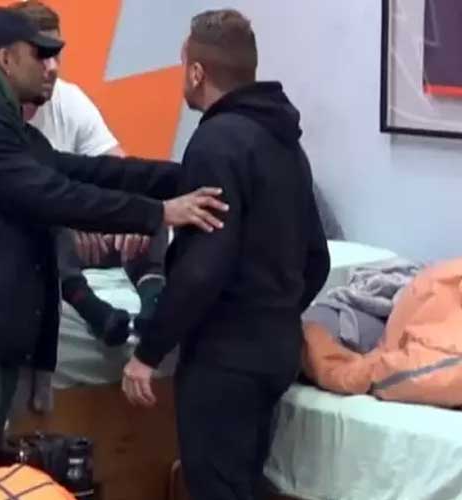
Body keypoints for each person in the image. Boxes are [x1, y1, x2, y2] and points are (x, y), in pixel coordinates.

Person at [0, 7, 228, 500]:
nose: (51, 67)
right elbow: (52, 193)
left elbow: (90, 171)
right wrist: (159, 212)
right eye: (41, 55)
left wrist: (186, 173)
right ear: (5, 59)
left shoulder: (3, 127)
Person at [121, 9, 331, 500]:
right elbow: (317, 259)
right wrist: (274, 312)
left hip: (224, 359)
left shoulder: (215, 143)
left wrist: (147, 353)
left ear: (197, 72)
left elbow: (203, 268)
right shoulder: (286, 144)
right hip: (276, 351)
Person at [11, 0, 169, 346]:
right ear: (12, 58)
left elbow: (116, 167)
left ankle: (152, 302)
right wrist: (73, 218)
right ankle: (90, 307)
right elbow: (24, 194)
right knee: (40, 221)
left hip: (84, 227)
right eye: (42, 55)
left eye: (57, 54)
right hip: (39, 238)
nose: (52, 67)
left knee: (153, 211)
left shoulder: (69, 100)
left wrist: (134, 212)